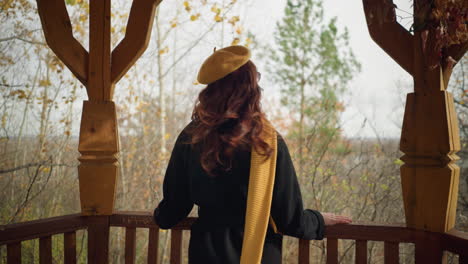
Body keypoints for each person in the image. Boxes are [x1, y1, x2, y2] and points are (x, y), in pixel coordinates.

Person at [153, 45, 352, 264]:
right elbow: (289, 219)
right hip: (258, 254)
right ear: (250, 88)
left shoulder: (192, 136)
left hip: (206, 254)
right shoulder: (266, 140)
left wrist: (159, 217)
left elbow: (174, 208)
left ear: (211, 90)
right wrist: (317, 220)